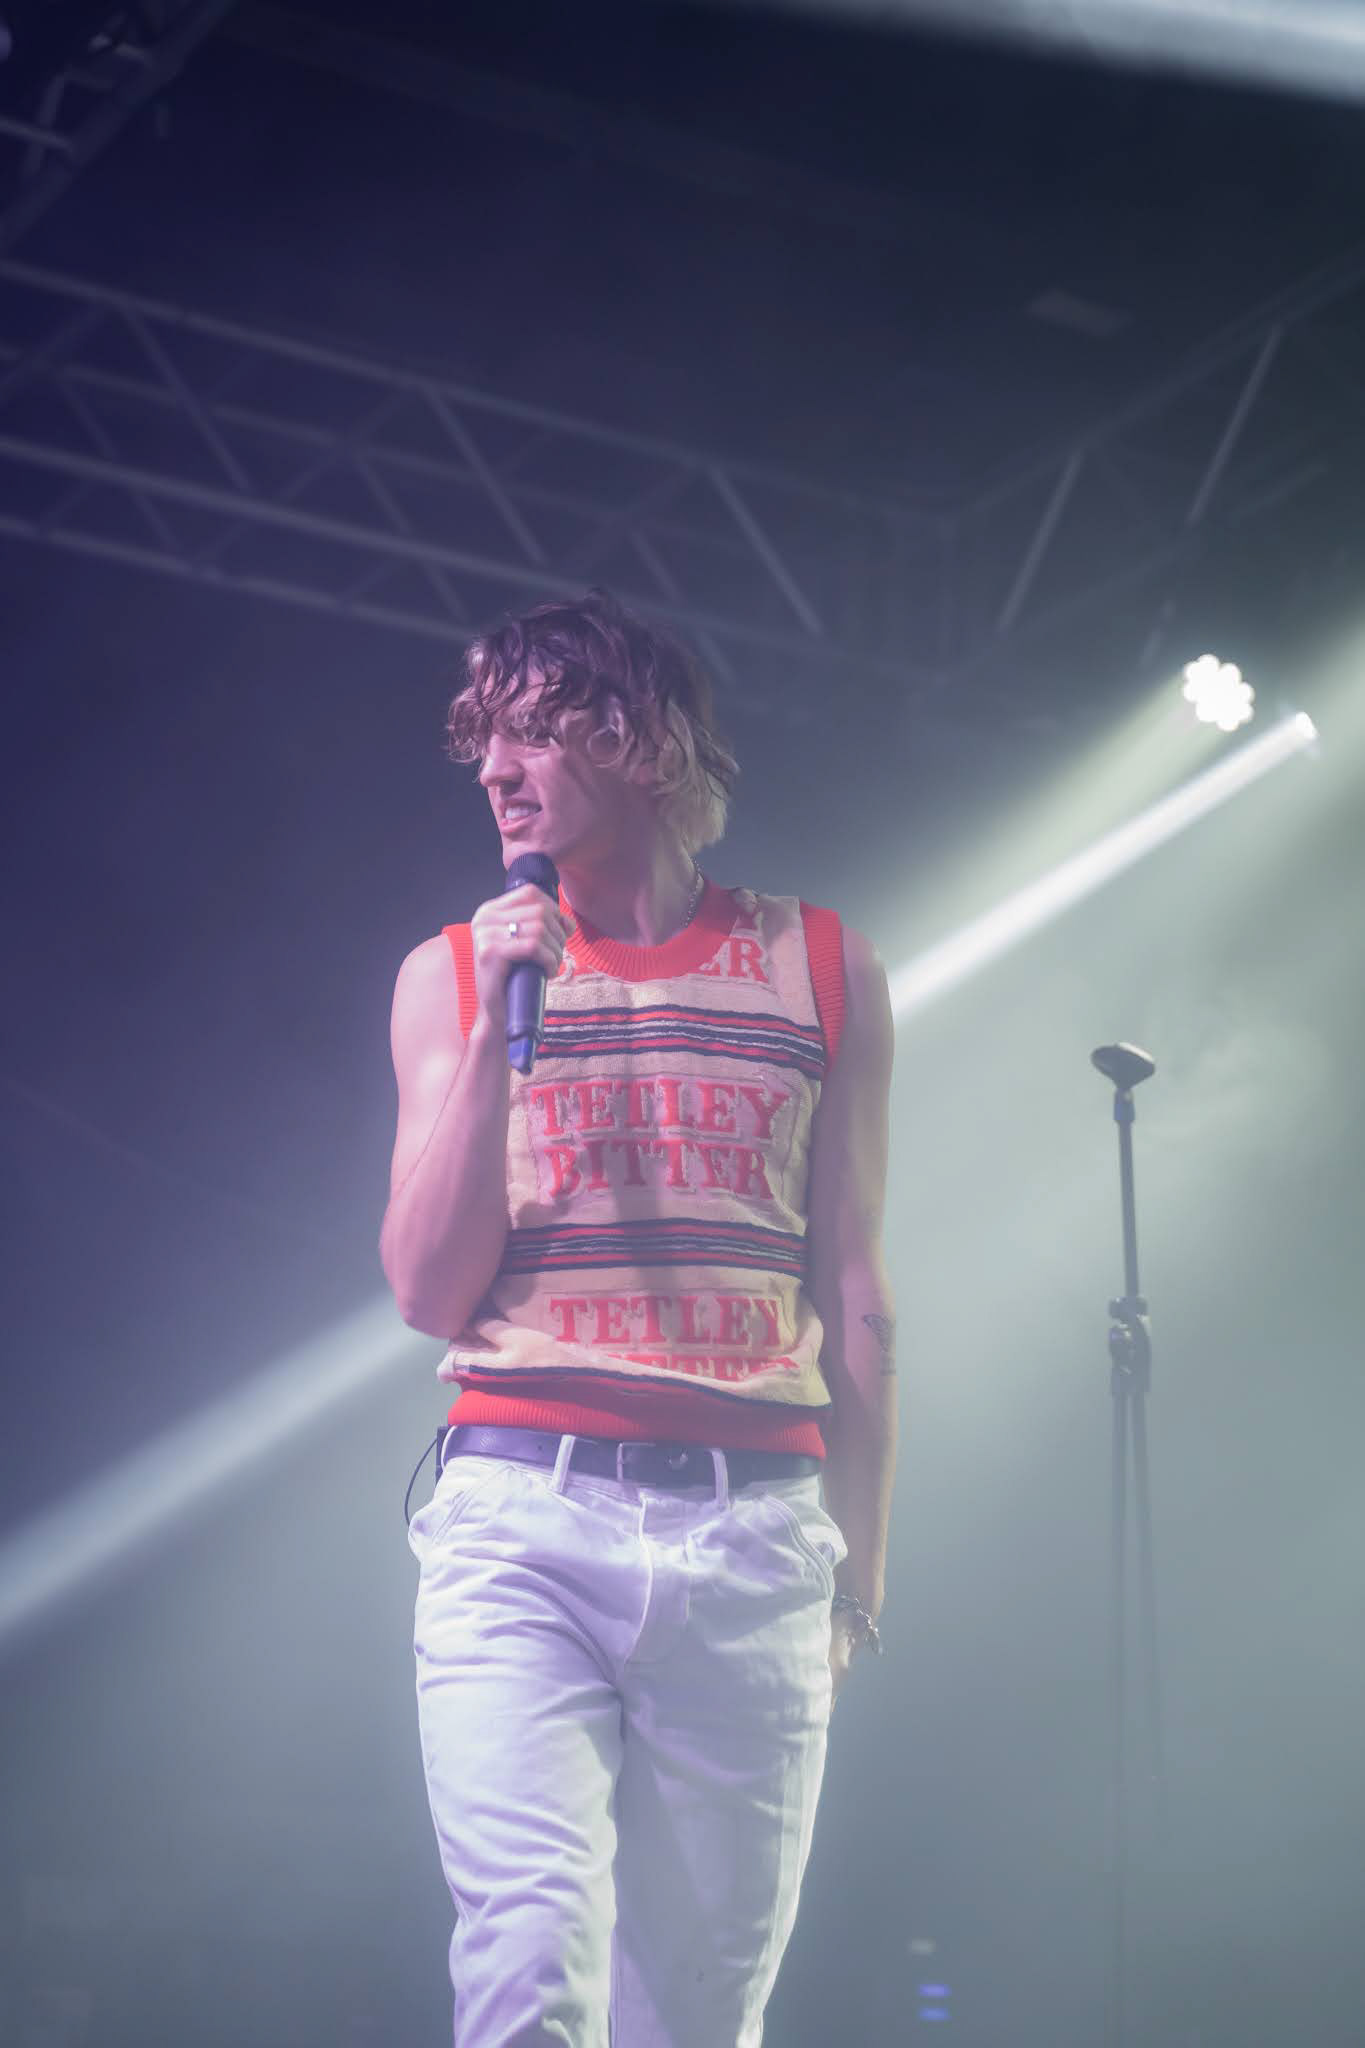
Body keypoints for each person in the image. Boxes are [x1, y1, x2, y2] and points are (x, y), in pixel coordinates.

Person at [380, 588, 897, 2048]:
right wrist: (503, 1027)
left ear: (644, 741)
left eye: (533, 732)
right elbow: (422, 1288)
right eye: (483, 741)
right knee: (530, 1963)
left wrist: (858, 1580)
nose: (494, 769)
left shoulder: (819, 963)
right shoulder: (450, 974)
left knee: (699, 2013)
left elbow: (855, 1287)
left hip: (755, 1534)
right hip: (519, 1518)